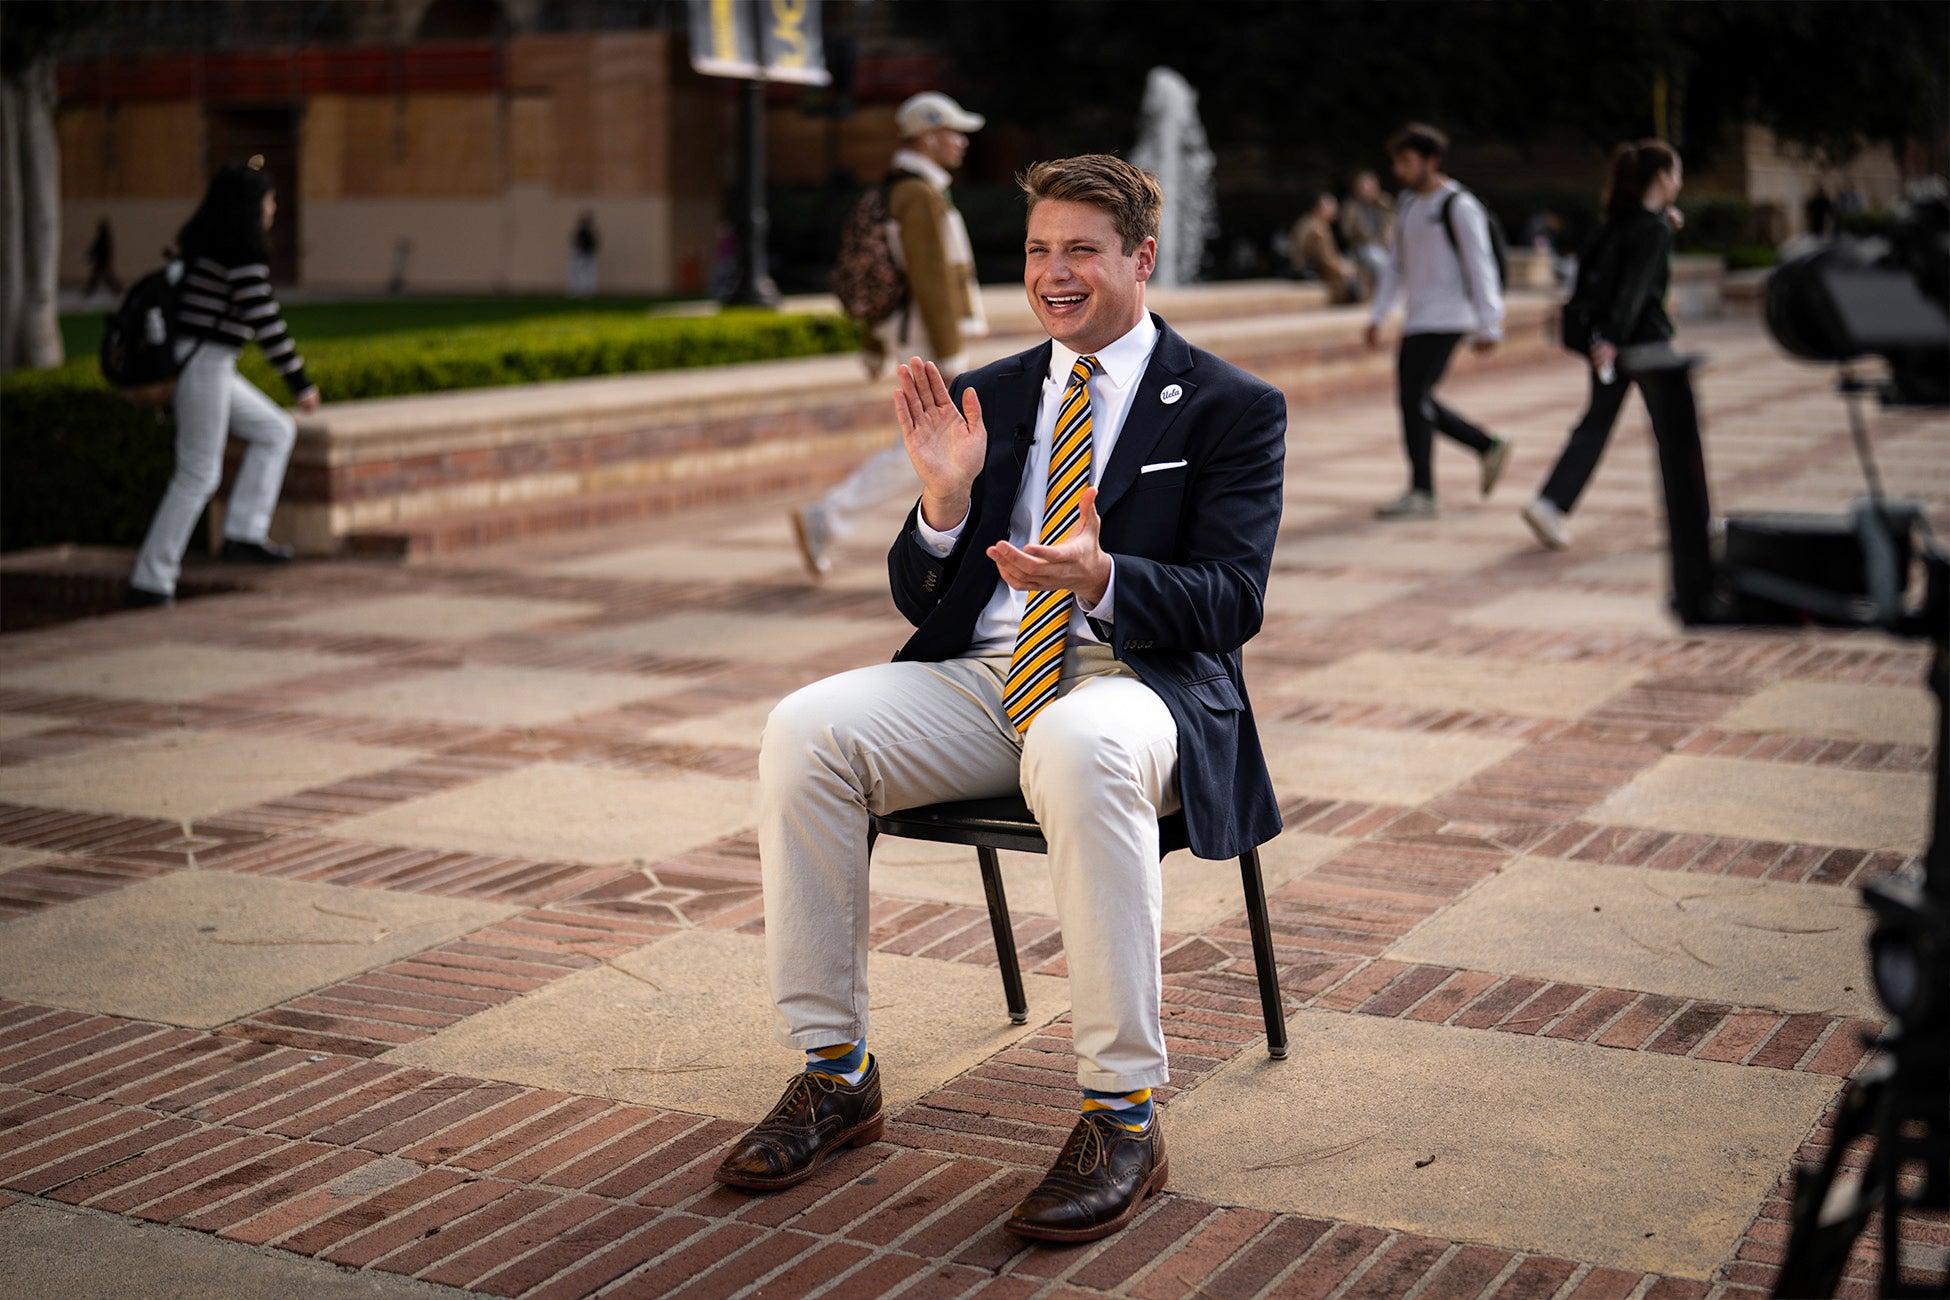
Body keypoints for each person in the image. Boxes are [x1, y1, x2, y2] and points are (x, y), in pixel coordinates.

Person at [718, 154, 1286, 1244]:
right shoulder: (1006, 388)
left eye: (1081, 250)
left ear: (1140, 259)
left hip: (1137, 680)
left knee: (1078, 746)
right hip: (990, 678)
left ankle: (1123, 1114)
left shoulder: (1230, 406)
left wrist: (1105, 577)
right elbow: (917, 587)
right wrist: (940, 503)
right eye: (1037, 249)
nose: (1054, 273)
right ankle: (837, 1070)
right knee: (806, 729)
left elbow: (1232, 600)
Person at [792, 91, 989, 578]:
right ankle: (829, 517)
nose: (962, 143)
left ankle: (834, 518)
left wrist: (875, 340)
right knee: (927, 450)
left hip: (915, 339)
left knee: (937, 448)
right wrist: (948, 353)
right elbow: (928, 278)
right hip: (927, 344)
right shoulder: (917, 195)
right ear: (928, 136)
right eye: (954, 133)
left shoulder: (905, 188)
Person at [126, 159, 318, 609]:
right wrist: (301, 384)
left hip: (209, 363)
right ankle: (151, 580)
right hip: (203, 365)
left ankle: (244, 534)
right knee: (197, 472)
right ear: (250, 205)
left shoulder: (208, 247)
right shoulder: (240, 254)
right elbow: (267, 324)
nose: (273, 207)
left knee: (275, 430)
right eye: (268, 200)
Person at [1522, 140, 1685, 551]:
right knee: (1675, 432)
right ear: (1663, 177)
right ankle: (1691, 522)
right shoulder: (1654, 229)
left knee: (1595, 425)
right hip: (1646, 343)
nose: (1678, 181)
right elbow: (1633, 292)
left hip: (1608, 343)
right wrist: (1614, 337)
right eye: (1676, 172)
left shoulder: (1618, 223)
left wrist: (1607, 340)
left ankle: (1549, 504)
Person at [1364, 123, 1511, 519]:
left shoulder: (1459, 205)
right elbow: (1396, 267)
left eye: (1407, 161)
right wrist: (1379, 315)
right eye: (1397, 162)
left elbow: (1481, 266)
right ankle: (1485, 446)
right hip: (1418, 317)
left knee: (1413, 398)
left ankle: (1423, 491)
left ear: (1432, 160)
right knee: (1417, 399)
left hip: (1450, 318)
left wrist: (1489, 324)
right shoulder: (1409, 204)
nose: (1400, 170)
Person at [1289, 192, 1355, 302]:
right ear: (1318, 208)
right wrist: (1344, 269)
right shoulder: (1318, 228)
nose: (1334, 211)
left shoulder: (1311, 221)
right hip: (1307, 270)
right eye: (1330, 207)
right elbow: (1326, 259)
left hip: (1304, 267)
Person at [1339, 169, 1394, 300]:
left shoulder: (1383, 204)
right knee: (1377, 258)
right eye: (1365, 187)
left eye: (1371, 186)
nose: (1368, 190)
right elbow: (1346, 232)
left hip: (1384, 245)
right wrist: (1359, 230)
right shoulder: (1352, 207)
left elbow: (1392, 227)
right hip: (1363, 247)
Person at [84, 218, 122, 298]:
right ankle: (117, 289)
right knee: (104, 277)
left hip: (102, 260)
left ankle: (89, 290)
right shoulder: (105, 236)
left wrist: (92, 255)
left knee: (101, 277)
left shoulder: (103, 236)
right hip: (103, 260)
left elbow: (98, 247)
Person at [568, 212, 599, 297]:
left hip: (587, 254)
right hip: (581, 254)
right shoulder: (581, 232)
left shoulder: (589, 233)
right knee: (580, 273)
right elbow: (576, 242)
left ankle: (586, 290)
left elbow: (594, 244)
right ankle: (579, 290)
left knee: (587, 273)